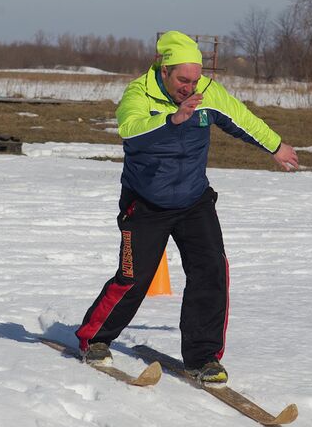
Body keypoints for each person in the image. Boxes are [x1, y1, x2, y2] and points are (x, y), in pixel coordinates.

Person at [75, 31, 298, 384]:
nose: (190, 87)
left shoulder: (207, 93)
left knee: (211, 270)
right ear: (163, 71)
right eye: (183, 80)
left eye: (195, 80)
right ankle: (95, 338)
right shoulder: (139, 93)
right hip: (145, 203)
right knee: (134, 278)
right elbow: (129, 129)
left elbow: (242, 118)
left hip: (193, 199)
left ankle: (203, 357)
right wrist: (172, 120)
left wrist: (276, 147)